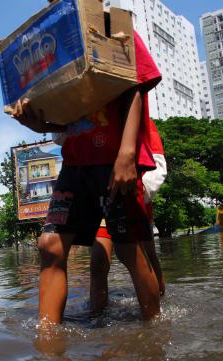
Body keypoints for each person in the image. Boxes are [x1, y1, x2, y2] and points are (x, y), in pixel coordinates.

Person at [13, 5, 162, 326]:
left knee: (128, 250)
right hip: (75, 164)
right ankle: (49, 339)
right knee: (50, 245)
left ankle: (156, 333)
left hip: (112, 162)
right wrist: (37, 125)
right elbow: (63, 118)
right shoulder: (55, 48)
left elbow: (136, 84)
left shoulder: (110, 26)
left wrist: (126, 155)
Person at [86, 118, 167, 314]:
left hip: (134, 196)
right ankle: (96, 316)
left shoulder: (142, 121)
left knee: (147, 255)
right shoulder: (88, 120)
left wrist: (135, 193)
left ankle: (158, 307)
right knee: (98, 261)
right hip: (101, 199)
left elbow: (158, 167)